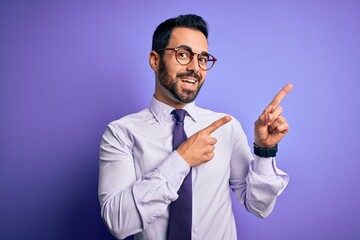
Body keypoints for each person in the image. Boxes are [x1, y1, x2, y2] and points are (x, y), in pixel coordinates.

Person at [98, 14, 292, 240]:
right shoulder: (121, 133)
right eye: (183, 54)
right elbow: (117, 222)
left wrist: (264, 152)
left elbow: (259, 207)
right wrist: (180, 160)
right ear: (154, 60)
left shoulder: (226, 127)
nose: (195, 67)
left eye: (202, 58)